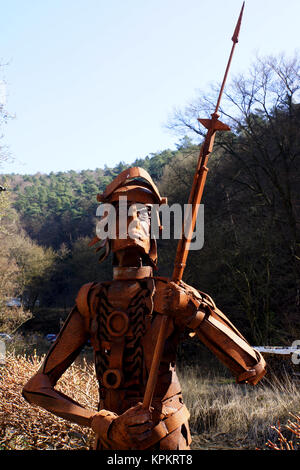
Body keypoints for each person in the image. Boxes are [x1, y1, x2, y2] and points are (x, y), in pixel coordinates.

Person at [22, 167, 266, 450]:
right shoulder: (91, 298)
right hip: (111, 444)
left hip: (166, 439)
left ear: (155, 226)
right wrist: (103, 423)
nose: (133, 221)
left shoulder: (173, 293)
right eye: (120, 213)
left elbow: (252, 368)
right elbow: (36, 387)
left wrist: (194, 312)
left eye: (144, 213)